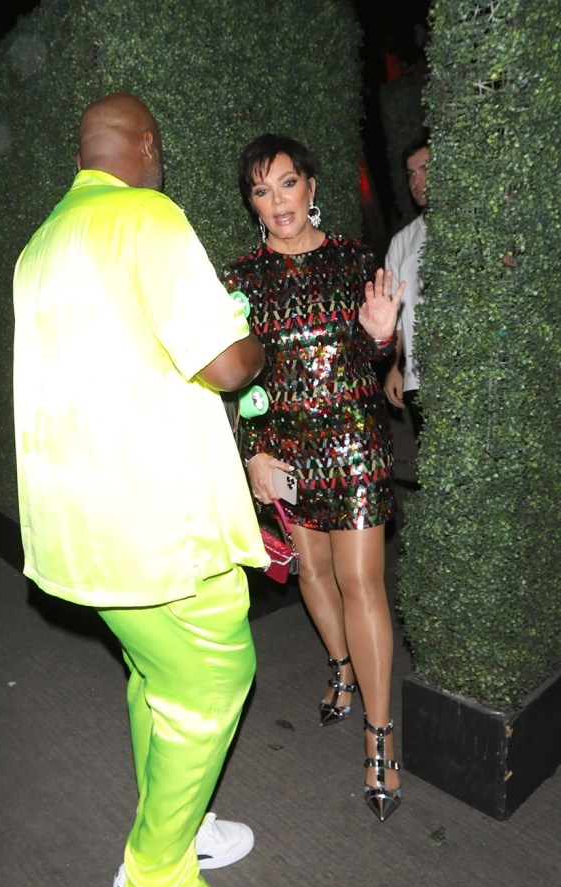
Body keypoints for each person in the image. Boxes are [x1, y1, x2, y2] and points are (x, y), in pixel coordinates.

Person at [12, 93, 269, 887]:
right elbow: (228, 364)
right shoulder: (147, 217)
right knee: (214, 676)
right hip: (156, 517)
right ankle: (154, 882)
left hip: (81, 524)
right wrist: (253, 334)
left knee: (155, 675)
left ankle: (180, 820)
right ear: (148, 146)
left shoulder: (40, 244)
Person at [223, 134, 405, 822]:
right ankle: (340, 666)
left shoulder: (358, 258)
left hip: (354, 440)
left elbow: (375, 344)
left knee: (362, 580)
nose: (278, 203)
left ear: (311, 184)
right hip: (284, 451)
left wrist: (385, 337)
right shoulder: (238, 278)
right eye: (262, 192)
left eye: (287, 184)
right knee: (311, 572)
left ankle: (380, 738)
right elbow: (229, 378)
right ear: (252, 205)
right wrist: (250, 454)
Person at [383, 135, 430, 438]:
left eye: (425, 169)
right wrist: (394, 367)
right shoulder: (401, 242)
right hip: (418, 380)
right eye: (411, 174)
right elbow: (394, 317)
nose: (417, 181)